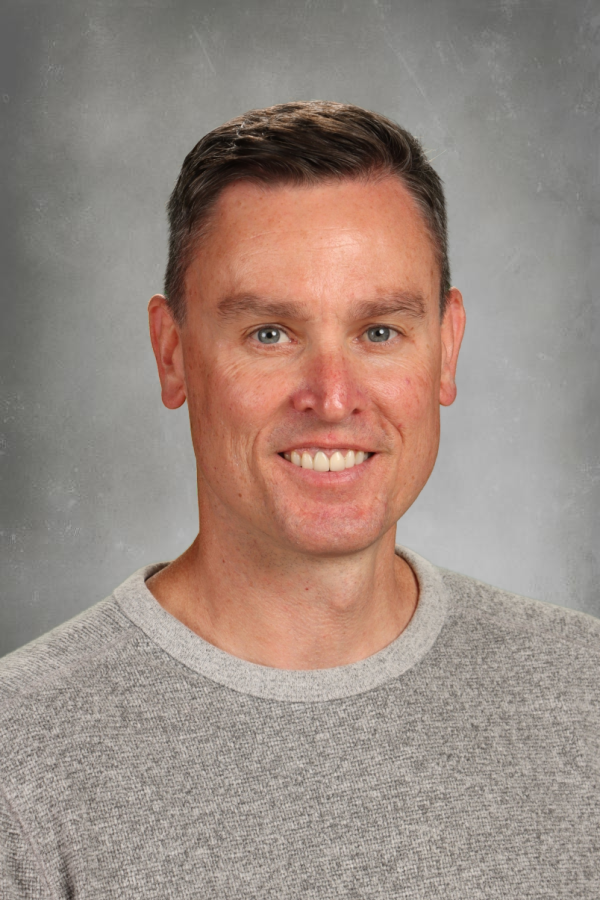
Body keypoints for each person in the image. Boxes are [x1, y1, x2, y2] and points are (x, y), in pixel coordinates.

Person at [1, 101, 598, 899]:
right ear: (172, 353)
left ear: (447, 347)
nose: (332, 395)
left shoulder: (584, 698)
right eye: (270, 334)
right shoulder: (21, 761)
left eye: (379, 331)